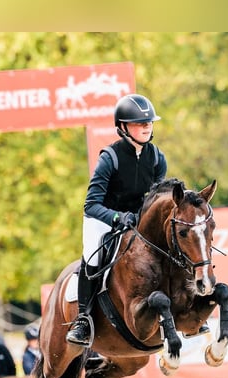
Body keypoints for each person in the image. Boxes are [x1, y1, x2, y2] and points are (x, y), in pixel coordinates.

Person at [66, 93, 167, 346]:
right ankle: (82, 320)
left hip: (136, 220)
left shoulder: (156, 158)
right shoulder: (109, 158)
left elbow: (155, 198)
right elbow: (91, 205)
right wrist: (116, 217)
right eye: (138, 123)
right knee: (92, 256)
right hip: (104, 217)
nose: (146, 126)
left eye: (149, 123)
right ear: (123, 127)